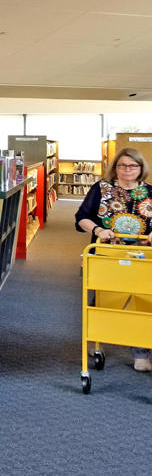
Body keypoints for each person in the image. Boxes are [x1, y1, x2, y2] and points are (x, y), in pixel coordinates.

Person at [75, 147, 152, 371]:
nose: (127, 169)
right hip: (107, 255)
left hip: (143, 255)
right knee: (106, 300)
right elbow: (81, 217)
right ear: (115, 168)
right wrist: (99, 230)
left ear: (141, 168)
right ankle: (96, 339)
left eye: (133, 165)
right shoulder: (101, 188)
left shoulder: (150, 191)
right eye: (122, 165)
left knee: (143, 302)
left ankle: (141, 355)